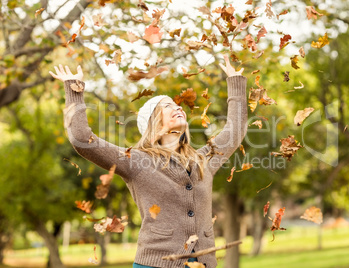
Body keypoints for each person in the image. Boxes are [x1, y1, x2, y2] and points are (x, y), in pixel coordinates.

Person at [49, 54, 248, 268]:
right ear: (153, 122)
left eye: (177, 105)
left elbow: (234, 131)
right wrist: (74, 89)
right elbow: (82, 139)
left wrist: (236, 84)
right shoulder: (135, 161)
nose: (178, 108)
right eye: (168, 106)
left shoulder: (203, 160)